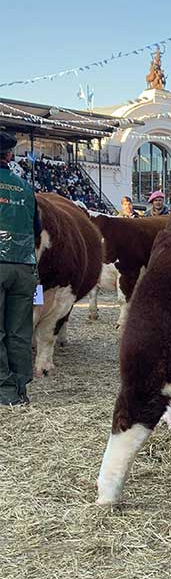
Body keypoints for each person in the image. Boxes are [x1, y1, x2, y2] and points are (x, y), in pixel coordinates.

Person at [0, 131, 40, 406]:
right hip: (24, 267)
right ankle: (20, 389)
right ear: (10, 155)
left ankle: (3, 390)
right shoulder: (25, 187)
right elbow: (36, 229)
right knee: (19, 331)